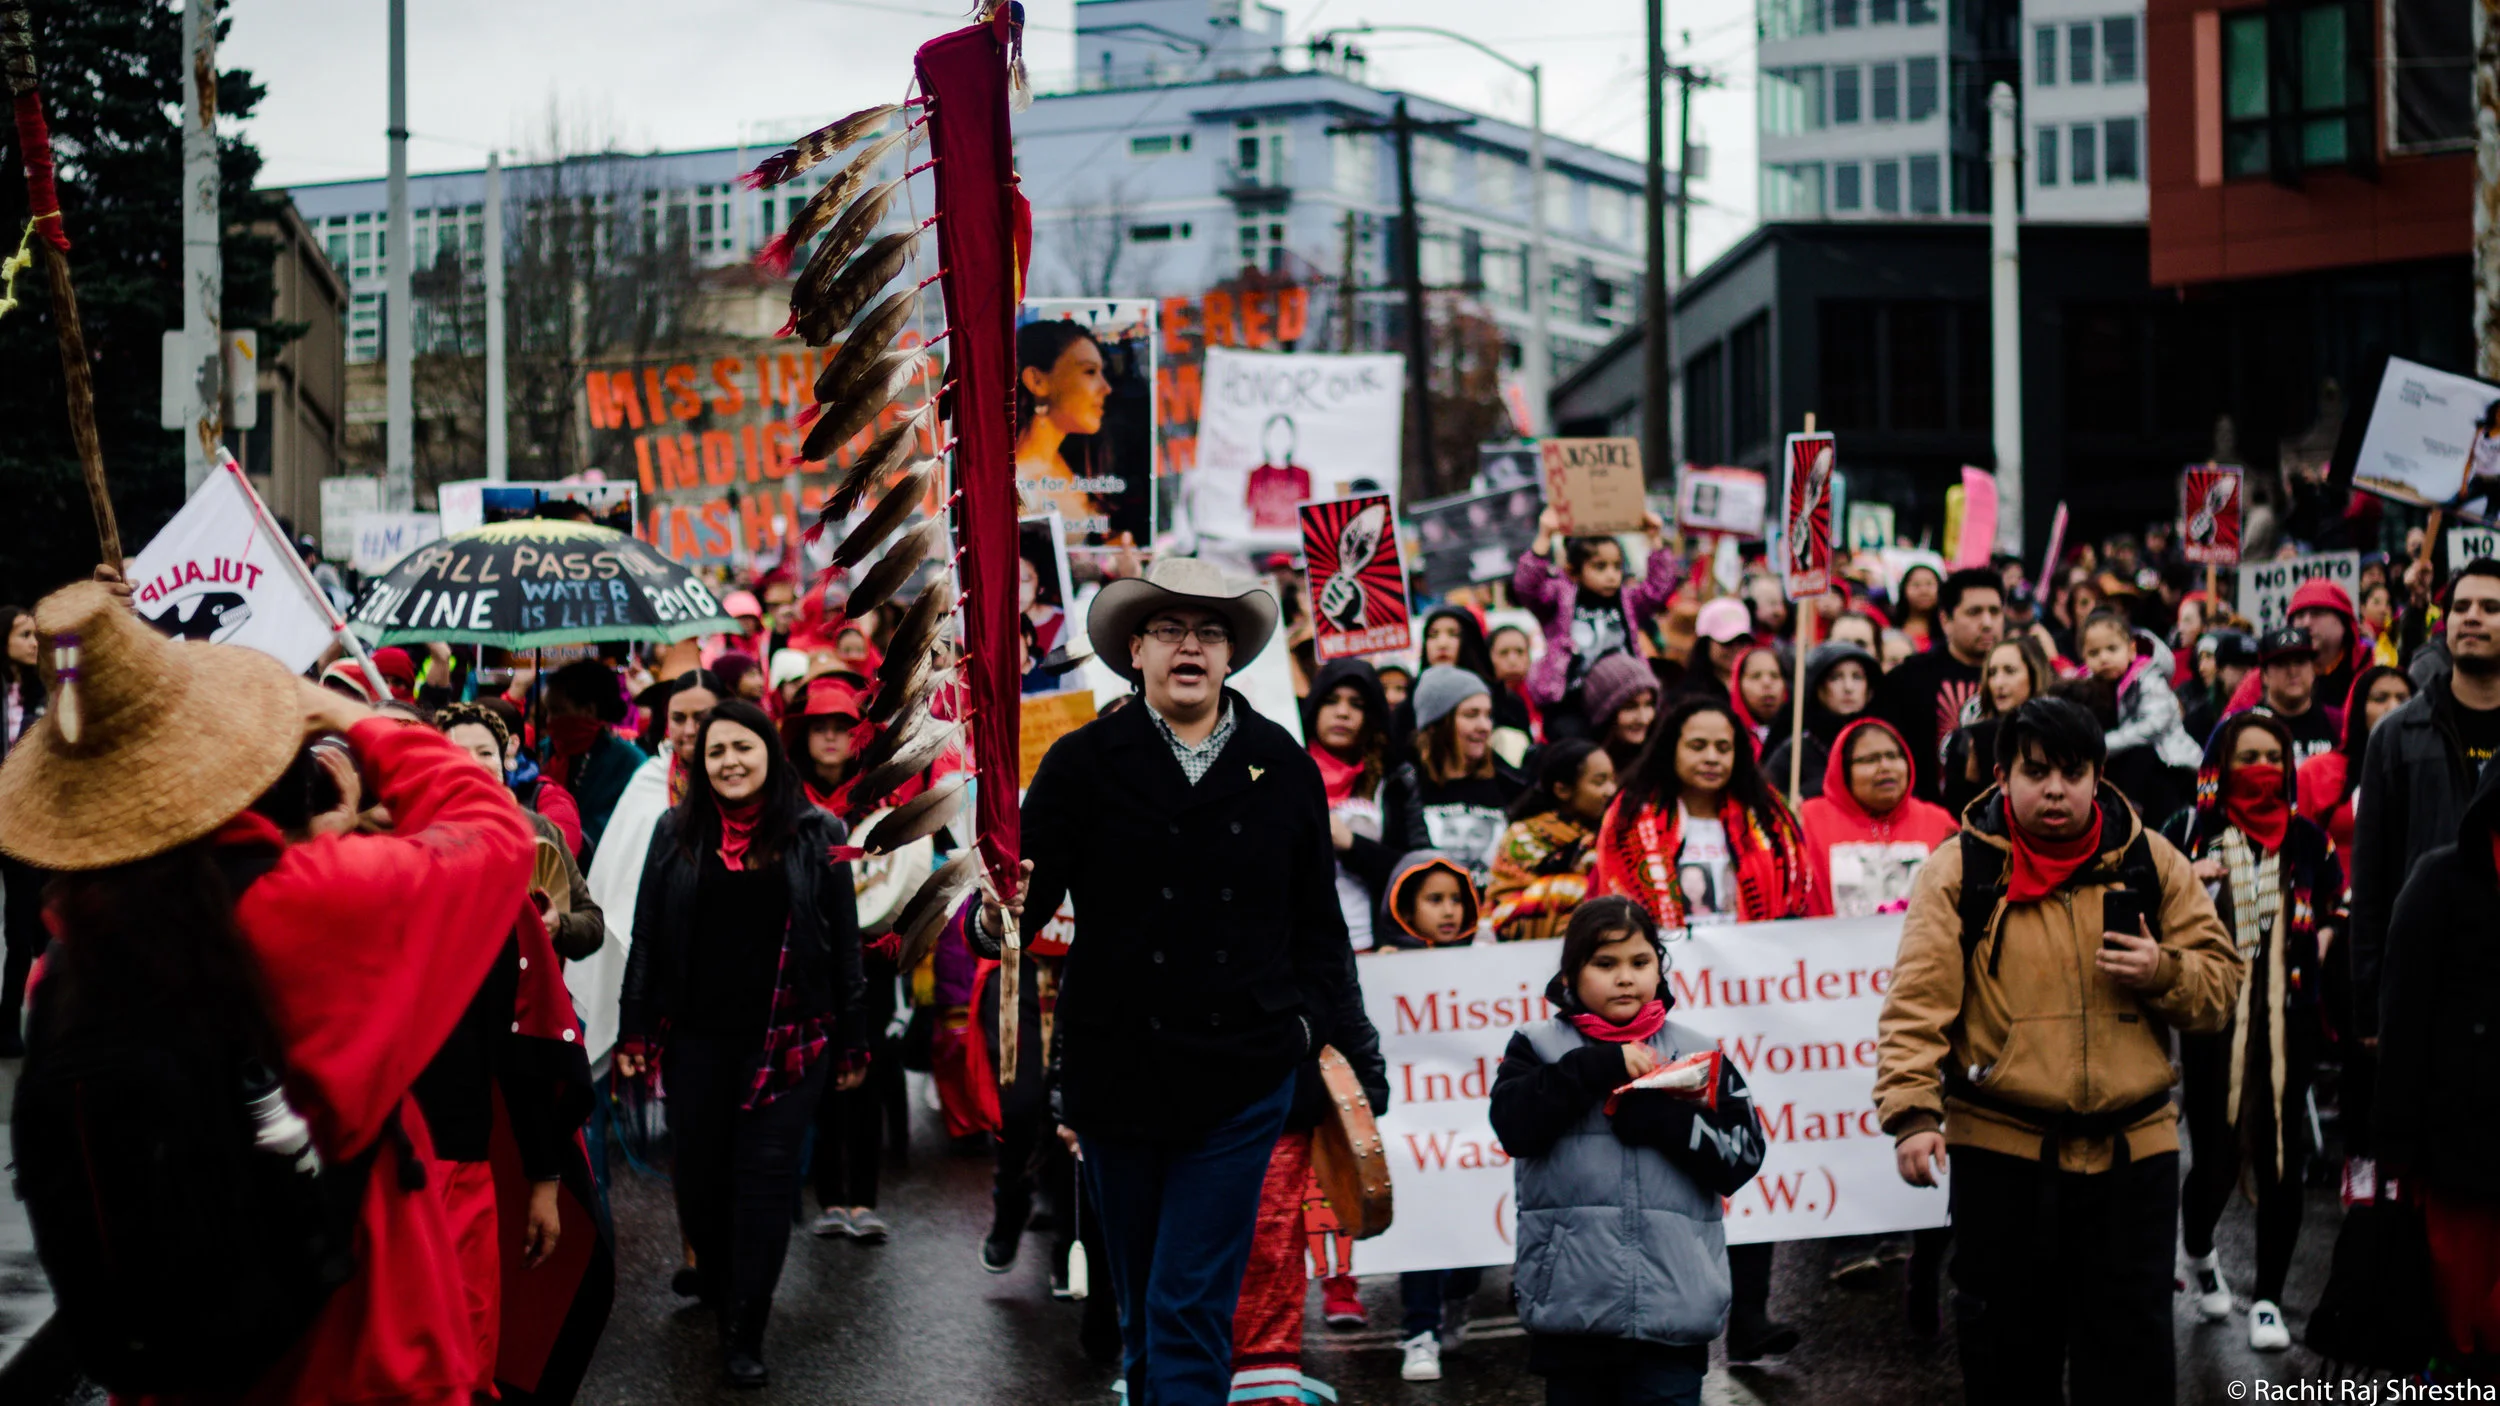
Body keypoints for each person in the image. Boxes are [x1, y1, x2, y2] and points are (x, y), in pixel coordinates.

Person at [0, 581, 537, 1403]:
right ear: (218, 745)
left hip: (175, 1373)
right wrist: (351, 716)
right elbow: (497, 835)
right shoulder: (320, 900)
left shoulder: (61, 967)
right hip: (361, 1366)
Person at [980, 556, 1357, 1406]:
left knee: (1188, 1302)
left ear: (1232, 655)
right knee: (1148, 1307)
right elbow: (1022, 904)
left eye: (1211, 631)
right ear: (1137, 650)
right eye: (1171, 630)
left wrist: (1319, 1037)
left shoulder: (1281, 764)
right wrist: (989, 913)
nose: (1191, 646)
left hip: (1240, 1072)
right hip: (1119, 1070)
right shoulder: (1081, 763)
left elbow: (1318, 927)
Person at [1875, 696, 2240, 1404]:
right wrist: (1914, 1116)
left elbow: (2220, 988)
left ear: (2099, 775)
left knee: (2130, 1361)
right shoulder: (1959, 870)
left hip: (2134, 1158)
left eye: (2072, 773)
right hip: (2004, 1157)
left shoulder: (2151, 859)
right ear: (2003, 774)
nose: (2054, 790)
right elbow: (1916, 1007)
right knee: (2010, 1358)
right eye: (2035, 771)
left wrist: (2161, 970)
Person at [614, 698, 867, 1386]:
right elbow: (646, 936)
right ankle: (722, 1281)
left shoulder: (823, 832)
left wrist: (852, 1042)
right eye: (716, 751)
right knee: (699, 1183)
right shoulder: (675, 832)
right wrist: (633, 1022)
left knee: (763, 1185)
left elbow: (845, 945)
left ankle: (745, 1328)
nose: (729, 762)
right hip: (696, 1039)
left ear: (769, 753)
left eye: (742, 748)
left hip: (790, 1044)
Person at [1591, 695, 1814, 1363]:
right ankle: (1662, 1316)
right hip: (1670, 1016)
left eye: (1725, 746)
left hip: (1756, 1017)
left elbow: (1799, 908)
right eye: (1698, 745)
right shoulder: (1632, 818)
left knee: (1741, 1154)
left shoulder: (1772, 818)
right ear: (1672, 747)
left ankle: (1750, 1316)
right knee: (1673, 1165)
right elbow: (1610, 904)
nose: (1713, 758)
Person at [1488, 897, 1769, 1406]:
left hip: (1673, 1309)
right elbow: (1514, 1128)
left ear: (1658, 969)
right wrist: (1594, 1068)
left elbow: (1743, 1155)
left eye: (1640, 963)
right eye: (1605, 964)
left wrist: (1665, 1120)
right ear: (1570, 976)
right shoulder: (1537, 1046)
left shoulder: (1696, 1051)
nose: (1625, 978)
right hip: (1573, 1310)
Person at [2158, 711, 2334, 1353]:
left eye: (2272, 759)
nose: (2261, 771)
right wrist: (2191, 890)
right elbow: (2153, 910)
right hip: (2212, 1027)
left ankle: (2266, 1298)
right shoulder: (2188, 832)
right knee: (2216, 1159)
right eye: (2246, 758)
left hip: (2289, 1027)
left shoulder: (2310, 841)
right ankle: (2200, 1252)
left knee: (2284, 1157)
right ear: (2218, 766)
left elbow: (2331, 908)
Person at [2350, 561, 2500, 1072]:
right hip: (2428, 987)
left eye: (2490, 608)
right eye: (2460, 607)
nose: (2471, 618)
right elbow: (2370, 878)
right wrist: (2369, 998)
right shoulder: (2395, 736)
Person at [2375, 754, 2500, 1362]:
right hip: (2460, 1159)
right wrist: (2398, 1156)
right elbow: (2402, 1024)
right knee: (2462, 1335)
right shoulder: (2439, 881)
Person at [1378, 850, 1489, 1378]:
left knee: (1470, 1232)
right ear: (1404, 906)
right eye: (1433, 900)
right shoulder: (1383, 965)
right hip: (1413, 1124)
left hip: (1472, 1123)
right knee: (1421, 1226)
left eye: (1457, 900)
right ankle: (1418, 1331)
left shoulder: (1490, 961)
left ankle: (1458, 1295)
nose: (1448, 911)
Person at [438, 703, 605, 960]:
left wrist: (558, 925)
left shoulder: (539, 829)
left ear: (504, 763)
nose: (472, 762)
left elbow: (591, 922)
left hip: (525, 990)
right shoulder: (420, 831)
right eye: (458, 752)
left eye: (485, 753)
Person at [1512, 509, 1676, 740]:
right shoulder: (1559, 599)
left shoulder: (1627, 601)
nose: (1611, 576)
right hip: (1571, 702)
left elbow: (1659, 588)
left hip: (1621, 701)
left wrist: (1654, 538)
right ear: (1573, 572)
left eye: (1617, 567)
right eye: (1600, 567)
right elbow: (1527, 588)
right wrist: (1544, 536)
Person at [1382, 665, 1530, 895]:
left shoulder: (1509, 783)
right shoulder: (1405, 786)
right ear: (1439, 723)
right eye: (1471, 715)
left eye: (1488, 715)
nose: (1484, 726)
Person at [1800, 718, 1957, 919]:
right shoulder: (1808, 821)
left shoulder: (1939, 822)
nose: (1885, 766)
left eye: (1893, 756)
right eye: (1870, 759)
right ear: (1843, 768)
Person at [1874, 567, 2002, 802]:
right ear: (1946, 620)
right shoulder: (1908, 678)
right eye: (1974, 612)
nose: (1987, 623)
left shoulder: (2024, 675)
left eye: (1995, 612)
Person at [1305, 658, 1396, 954]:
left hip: (1369, 946)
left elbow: (1406, 866)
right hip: (1303, 949)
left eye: (1356, 704)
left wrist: (1352, 845)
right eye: (1331, 701)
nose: (1342, 712)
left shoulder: (1392, 779)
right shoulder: (1283, 773)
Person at [2079, 609, 2202, 826]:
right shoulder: (2089, 688)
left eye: (2112, 649)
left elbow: (2154, 725)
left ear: (2131, 650)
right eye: (2094, 653)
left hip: (2170, 762)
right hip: (2132, 765)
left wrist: (2106, 742)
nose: (2104, 658)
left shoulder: (2147, 677)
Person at [1487, 739, 1615, 941]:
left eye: (1612, 780)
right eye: (1599, 782)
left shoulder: (1610, 834)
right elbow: (1504, 908)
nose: (1611, 790)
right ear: (1562, 790)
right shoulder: (1523, 835)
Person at [2296, 664, 2412, 857]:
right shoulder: (2316, 771)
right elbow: (2297, 849)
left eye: (2402, 699)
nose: (2393, 707)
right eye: (2380, 698)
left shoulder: (2431, 770)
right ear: (2358, 708)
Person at [543, 658, 651, 854]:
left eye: (558, 711)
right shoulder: (544, 753)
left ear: (589, 710)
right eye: (547, 712)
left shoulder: (629, 762)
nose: (550, 721)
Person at [1939, 636, 2053, 819]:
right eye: (1992, 673)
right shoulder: (1969, 739)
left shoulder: (2060, 730)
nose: (1999, 683)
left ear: (2033, 674)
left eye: (2009, 671)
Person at [1762, 642, 1879, 802]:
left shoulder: (1883, 745)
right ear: (1818, 688)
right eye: (1835, 678)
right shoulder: (1795, 752)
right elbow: (1767, 806)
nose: (1848, 687)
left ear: (1870, 691)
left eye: (1857, 677)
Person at [2250, 627, 2341, 763]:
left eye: (2300, 662)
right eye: (2282, 664)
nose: (2293, 671)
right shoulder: (2243, 726)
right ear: (2264, 675)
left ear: (2313, 669)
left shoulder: (2338, 723)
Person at [1582, 652, 1660, 779]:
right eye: (1630, 707)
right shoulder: (1581, 768)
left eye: (1649, 704)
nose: (1643, 719)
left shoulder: (1657, 766)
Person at [2184, 629, 2259, 745]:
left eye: (2254, 667)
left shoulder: (2265, 710)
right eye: (2239, 666)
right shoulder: (2199, 719)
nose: (2249, 673)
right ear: (2220, 671)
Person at [1680, 599, 1753, 702]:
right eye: (1727, 642)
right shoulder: (1690, 695)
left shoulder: (1755, 692)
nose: (1736, 649)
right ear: (1705, 644)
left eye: (1742, 641)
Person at [1894, 563, 1942, 652]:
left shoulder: (1948, 631)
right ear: (1904, 590)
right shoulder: (1890, 627)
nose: (1923, 591)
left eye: (1929, 584)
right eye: (1916, 585)